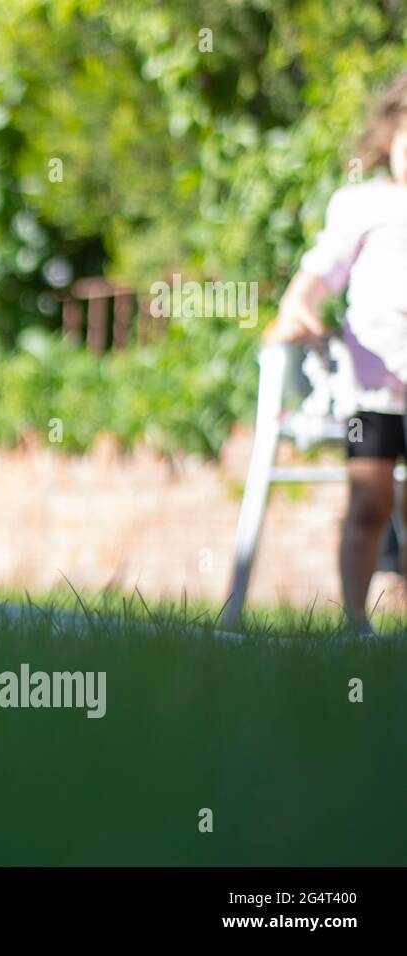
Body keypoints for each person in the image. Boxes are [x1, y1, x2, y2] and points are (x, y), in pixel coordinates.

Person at [270, 72, 407, 634]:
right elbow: (322, 270)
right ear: (390, 138)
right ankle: (355, 621)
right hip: (374, 389)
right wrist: (296, 306)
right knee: (370, 502)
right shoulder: (364, 204)